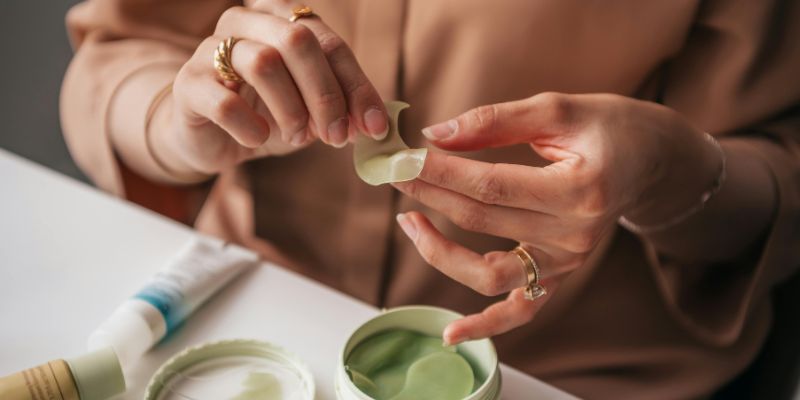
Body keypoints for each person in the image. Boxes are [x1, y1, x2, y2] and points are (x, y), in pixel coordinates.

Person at [60, 0, 799, 398]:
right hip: (252, 321)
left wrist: (668, 167)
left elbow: (775, 185)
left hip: (562, 369)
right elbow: (116, 53)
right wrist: (180, 127)